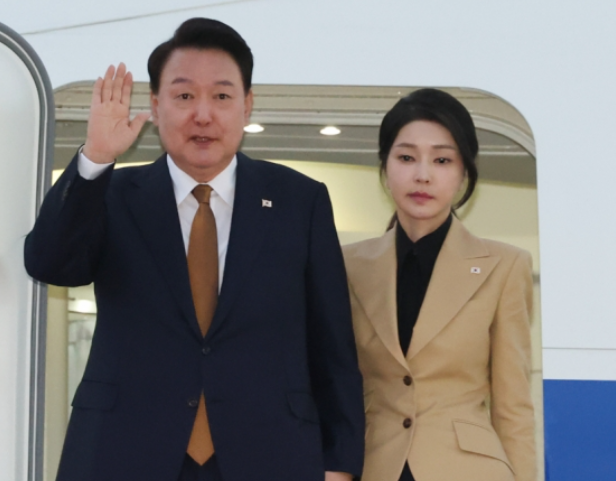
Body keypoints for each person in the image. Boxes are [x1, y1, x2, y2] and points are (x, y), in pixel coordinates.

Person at [25, 18, 364, 481]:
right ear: (156, 105)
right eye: (184, 96)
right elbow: (50, 263)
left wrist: (340, 465)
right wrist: (96, 158)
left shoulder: (299, 201)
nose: (203, 115)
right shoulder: (112, 194)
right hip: (127, 452)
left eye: (221, 96)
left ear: (247, 105)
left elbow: (333, 347)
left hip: (270, 454)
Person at [342, 88, 536, 481]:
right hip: (374, 465)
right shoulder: (346, 265)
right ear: (384, 167)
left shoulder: (505, 266)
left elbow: (513, 407)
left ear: (464, 172)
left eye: (442, 160)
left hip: (470, 469)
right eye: (406, 157)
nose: (423, 175)